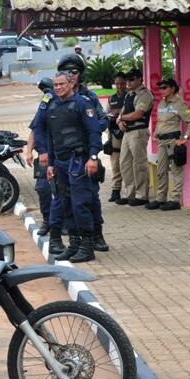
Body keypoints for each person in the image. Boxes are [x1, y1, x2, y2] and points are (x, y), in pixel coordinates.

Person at [45, 71, 103, 263]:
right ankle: (74, 244)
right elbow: (52, 138)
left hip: (78, 160)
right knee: (66, 203)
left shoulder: (82, 104)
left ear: (71, 84)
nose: (58, 88)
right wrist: (51, 164)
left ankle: (87, 247)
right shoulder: (52, 105)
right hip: (60, 163)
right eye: (56, 85)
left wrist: (93, 157)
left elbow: (94, 131)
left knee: (80, 204)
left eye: (62, 84)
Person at [58, 53, 110, 252]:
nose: (70, 75)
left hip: (87, 155)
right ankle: (75, 240)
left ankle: (97, 234)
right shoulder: (56, 96)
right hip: (64, 157)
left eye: (74, 72)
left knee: (90, 198)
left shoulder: (89, 96)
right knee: (67, 200)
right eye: (65, 72)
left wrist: (92, 127)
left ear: (80, 74)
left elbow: (103, 119)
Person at [147, 79, 190, 211]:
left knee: (176, 171)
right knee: (161, 171)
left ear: (173, 88)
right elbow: (160, 121)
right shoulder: (162, 103)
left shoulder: (179, 104)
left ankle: (174, 200)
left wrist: (185, 138)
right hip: (162, 142)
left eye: (164, 88)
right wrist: (155, 133)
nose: (161, 90)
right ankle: (161, 199)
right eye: (160, 88)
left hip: (173, 141)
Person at [117, 68, 152, 206]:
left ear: (139, 79)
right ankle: (130, 194)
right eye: (127, 80)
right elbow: (123, 112)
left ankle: (142, 195)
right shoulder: (129, 95)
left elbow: (138, 114)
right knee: (124, 163)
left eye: (131, 80)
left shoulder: (144, 94)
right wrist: (120, 121)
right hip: (127, 132)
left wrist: (121, 117)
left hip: (138, 131)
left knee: (139, 164)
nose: (128, 83)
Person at [27, 77, 54, 236]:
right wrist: (29, 152)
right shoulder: (44, 107)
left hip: (61, 154)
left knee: (61, 190)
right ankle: (47, 220)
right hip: (44, 155)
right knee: (42, 188)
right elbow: (34, 129)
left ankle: (62, 221)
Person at [106, 73, 128, 202]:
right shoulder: (111, 98)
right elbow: (106, 114)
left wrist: (119, 113)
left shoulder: (130, 97)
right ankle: (116, 190)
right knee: (115, 163)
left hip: (128, 132)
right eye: (117, 83)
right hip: (114, 134)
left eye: (122, 83)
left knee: (128, 163)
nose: (119, 86)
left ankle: (130, 192)